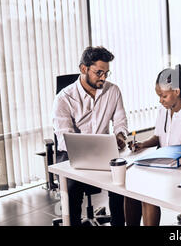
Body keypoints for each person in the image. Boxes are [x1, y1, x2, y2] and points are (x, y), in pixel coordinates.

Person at [52, 46, 128, 226]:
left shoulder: (113, 91)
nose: (103, 77)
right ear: (83, 69)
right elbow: (64, 138)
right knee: (71, 188)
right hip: (72, 154)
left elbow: (120, 122)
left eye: (106, 73)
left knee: (121, 183)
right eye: (99, 72)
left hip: (105, 151)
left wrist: (120, 136)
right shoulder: (64, 98)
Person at [125, 64, 181, 226]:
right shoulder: (163, 109)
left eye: (163, 96)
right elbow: (158, 136)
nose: (160, 100)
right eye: (158, 96)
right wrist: (142, 144)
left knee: (147, 197)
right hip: (162, 166)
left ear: (177, 92)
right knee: (130, 191)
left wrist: (180, 161)